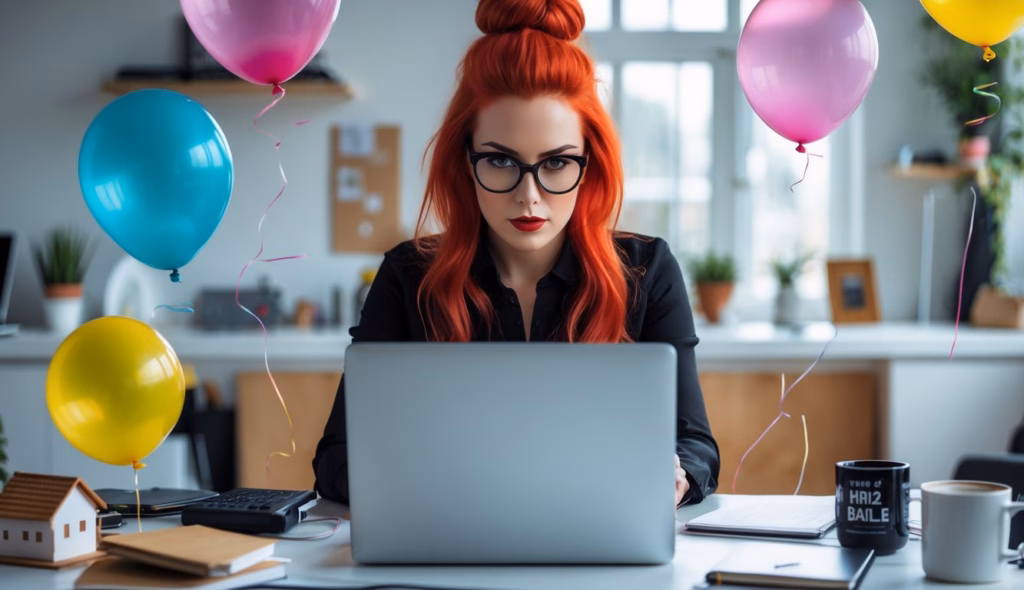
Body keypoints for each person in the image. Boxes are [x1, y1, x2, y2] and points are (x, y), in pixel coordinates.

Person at [313, 0, 720, 508]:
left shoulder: (647, 270)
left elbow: (697, 446)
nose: (529, 196)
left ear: (588, 164)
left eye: (556, 163)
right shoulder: (406, 277)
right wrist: (417, 484)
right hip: (447, 544)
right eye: (501, 160)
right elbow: (335, 459)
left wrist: (676, 477)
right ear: (466, 160)